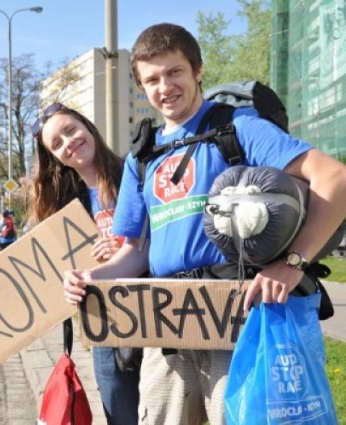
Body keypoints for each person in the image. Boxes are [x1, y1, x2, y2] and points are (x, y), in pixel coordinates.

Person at [63, 22, 346, 424]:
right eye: (152, 79)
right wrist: (89, 276)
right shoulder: (141, 158)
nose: (165, 87)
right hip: (168, 330)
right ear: (142, 87)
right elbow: (134, 252)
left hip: (238, 323)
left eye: (174, 71)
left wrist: (293, 264)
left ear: (198, 70)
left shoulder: (237, 128)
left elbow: (334, 178)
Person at [29, 103, 149, 425]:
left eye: (70, 130)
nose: (68, 143)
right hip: (105, 326)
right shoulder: (64, 205)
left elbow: (157, 243)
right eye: (56, 144)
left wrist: (124, 249)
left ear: (86, 125)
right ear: (53, 157)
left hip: (154, 318)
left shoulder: (135, 174)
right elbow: (55, 269)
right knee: (121, 418)